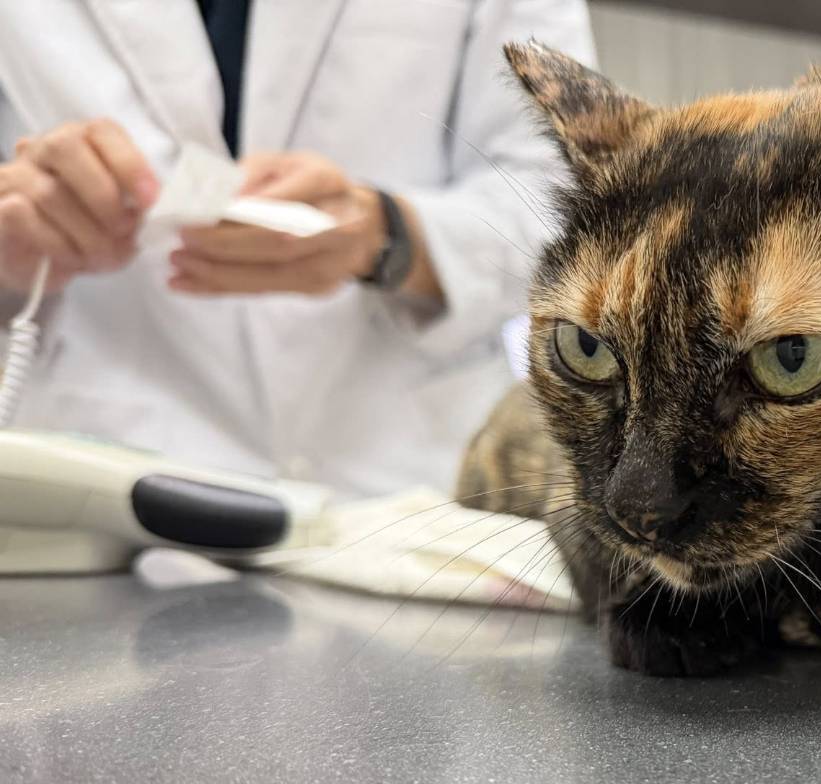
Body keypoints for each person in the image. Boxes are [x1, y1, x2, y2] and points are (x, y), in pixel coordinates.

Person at [0, 1, 593, 496]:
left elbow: (569, 202)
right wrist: (17, 236)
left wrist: (393, 235)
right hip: (102, 463)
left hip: (394, 468)